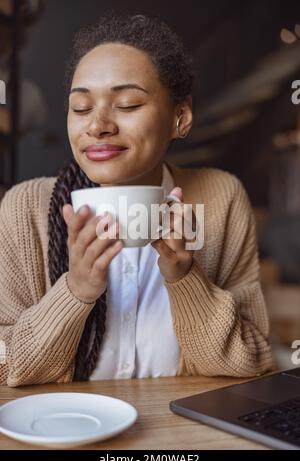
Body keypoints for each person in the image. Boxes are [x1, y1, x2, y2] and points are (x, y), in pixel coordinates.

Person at [0, 14, 273, 386]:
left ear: (181, 117)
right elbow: (5, 367)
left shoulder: (220, 198)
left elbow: (252, 361)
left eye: (127, 104)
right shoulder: (24, 210)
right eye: (81, 108)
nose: (97, 125)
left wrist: (185, 278)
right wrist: (75, 290)